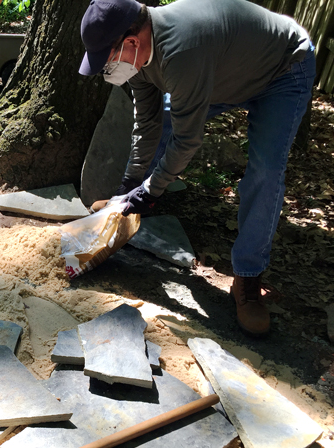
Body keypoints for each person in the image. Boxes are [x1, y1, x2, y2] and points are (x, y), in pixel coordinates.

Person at [79, 0, 315, 337]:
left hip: (283, 69)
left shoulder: (181, 51)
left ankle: (248, 278)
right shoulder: (140, 59)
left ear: (131, 42)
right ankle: (125, 211)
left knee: (265, 172)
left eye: (106, 59)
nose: (107, 69)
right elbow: (148, 124)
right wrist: (129, 185)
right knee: (163, 120)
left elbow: (188, 141)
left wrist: (149, 193)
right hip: (226, 71)